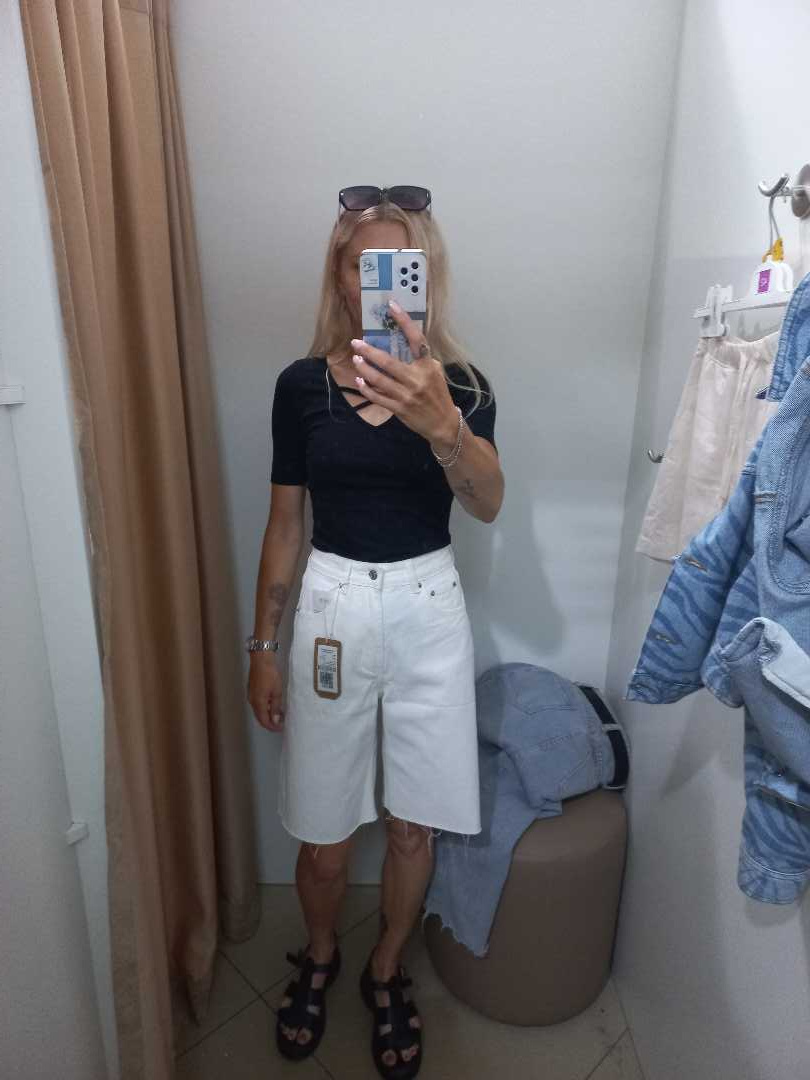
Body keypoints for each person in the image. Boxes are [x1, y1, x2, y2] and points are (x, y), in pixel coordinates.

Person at [247, 185, 503, 1079]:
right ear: (341, 279)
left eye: (402, 265)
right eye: (364, 265)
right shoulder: (301, 386)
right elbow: (285, 525)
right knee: (324, 832)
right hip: (331, 609)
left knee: (412, 826)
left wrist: (442, 423)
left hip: (430, 607)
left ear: (427, 277)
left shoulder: (462, 387)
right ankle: (320, 956)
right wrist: (262, 646)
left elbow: (488, 502)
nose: (380, 282)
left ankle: (386, 968)